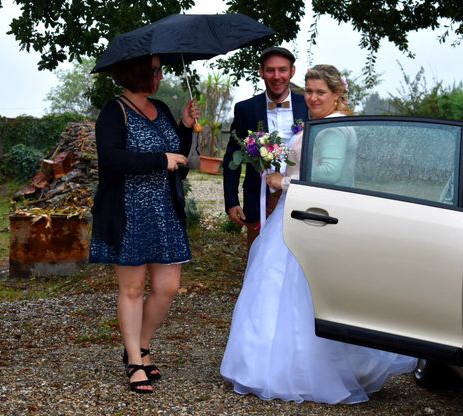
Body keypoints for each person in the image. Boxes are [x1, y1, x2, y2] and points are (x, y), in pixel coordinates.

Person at [220, 64, 417, 404]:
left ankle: (289, 369)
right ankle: (277, 364)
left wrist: (282, 180)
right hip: (299, 213)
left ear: (337, 94)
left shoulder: (335, 128)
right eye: (308, 91)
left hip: (310, 217)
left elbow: (328, 173)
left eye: (320, 92)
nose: (311, 97)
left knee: (292, 290)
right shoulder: (326, 124)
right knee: (283, 291)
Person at [89, 54, 200, 394]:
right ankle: (136, 362)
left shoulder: (162, 108)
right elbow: (110, 158)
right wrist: (159, 160)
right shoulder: (115, 111)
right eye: (156, 70)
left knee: (167, 288)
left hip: (164, 212)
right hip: (128, 212)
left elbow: (176, 157)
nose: (161, 75)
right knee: (133, 289)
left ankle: (140, 345)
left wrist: (183, 126)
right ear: (141, 72)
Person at [222, 47, 308, 247]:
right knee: (258, 257)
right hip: (258, 199)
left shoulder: (307, 105)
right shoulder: (245, 109)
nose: (276, 76)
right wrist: (232, 200)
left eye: (282, 70)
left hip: (298, 196)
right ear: (261, 72)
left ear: (292, 71)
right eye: (270, 70)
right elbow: (231, 158)